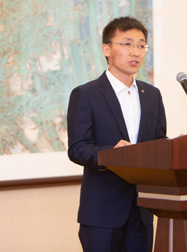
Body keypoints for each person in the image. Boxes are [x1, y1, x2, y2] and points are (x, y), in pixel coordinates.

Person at [67, 16, 167, 252]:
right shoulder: (86, 94)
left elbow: (158, 141)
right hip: (102, 212)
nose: (135, 52)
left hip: (142, 211)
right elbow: (78, 148)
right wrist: (111, 154)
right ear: (106, 49)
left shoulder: (152, 95)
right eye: (127, 44)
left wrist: (172, 148)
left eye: (141, 45)